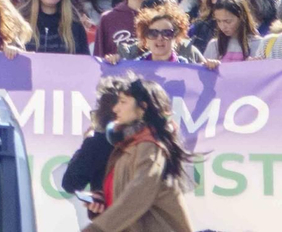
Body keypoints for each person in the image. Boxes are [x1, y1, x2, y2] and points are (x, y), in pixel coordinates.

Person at [82, 75, 197, 232]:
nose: (116, 108)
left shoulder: (150, 146)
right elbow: (131, 197)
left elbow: (138, 195)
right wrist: (103, 201)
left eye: (123, 102)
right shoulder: (130, 146)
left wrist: (96, 229)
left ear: (142, 108)